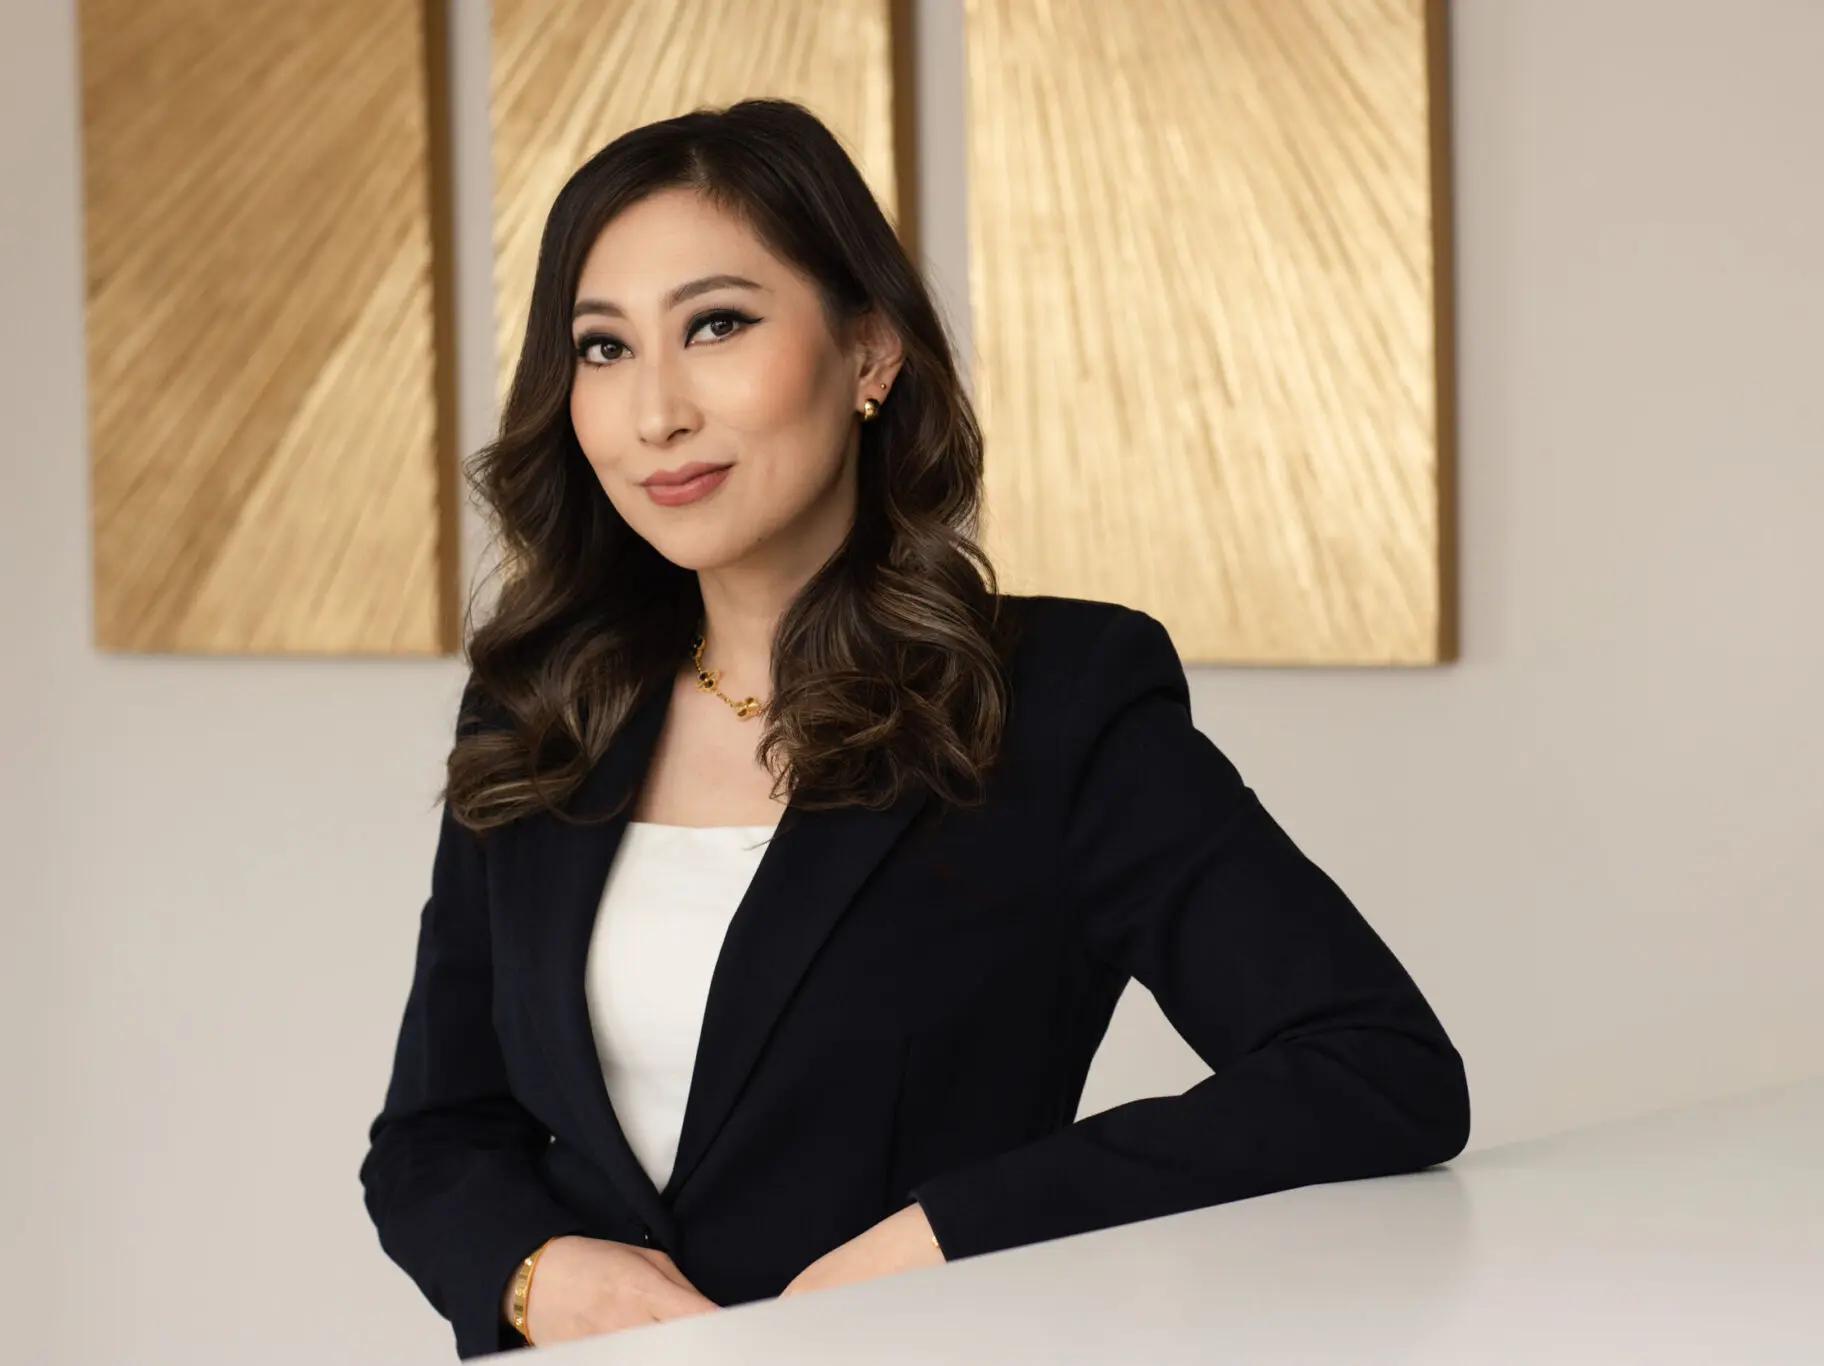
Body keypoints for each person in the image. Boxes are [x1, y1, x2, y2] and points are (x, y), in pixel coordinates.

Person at [359, 97, 1469, 1360]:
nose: (652, 410)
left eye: (716, 325)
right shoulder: (544, 701)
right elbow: (435, 1137)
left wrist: (946, 1236)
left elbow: (1374, 1067)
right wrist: (530, 1274)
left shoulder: (1054, 697)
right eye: (602, 349)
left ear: (869, 351)